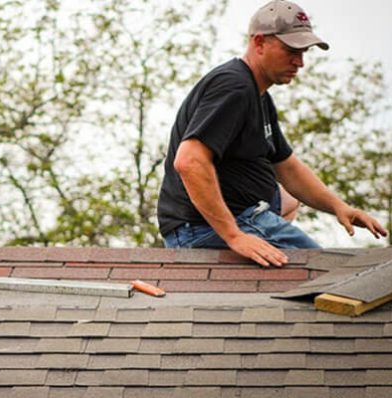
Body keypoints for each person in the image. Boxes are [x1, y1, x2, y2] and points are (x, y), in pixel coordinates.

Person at [156, 0, 387, 267]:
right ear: (259, 43)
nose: (299, 62)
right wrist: (234, 236)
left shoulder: (258, 95)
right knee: (327, 272)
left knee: (287, 199)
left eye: (304, 52)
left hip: (244, 216)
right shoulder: (235, 87)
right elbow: (189, 161)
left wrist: (339, 207)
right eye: (291, 50)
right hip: (200, 230)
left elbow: (287, 167)